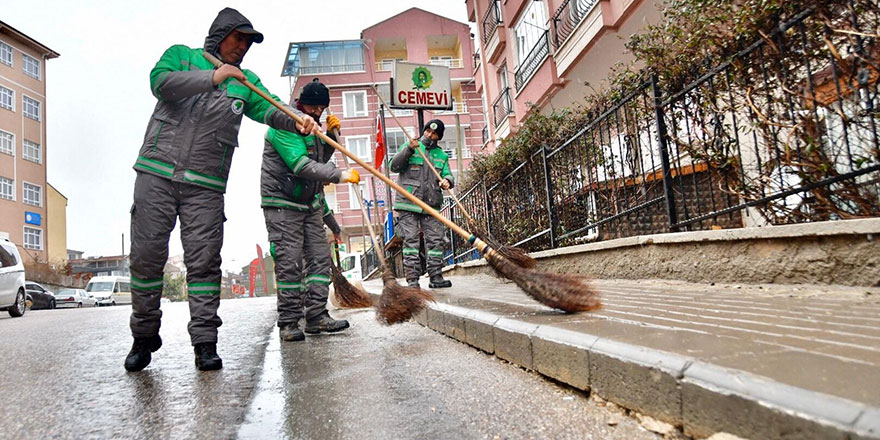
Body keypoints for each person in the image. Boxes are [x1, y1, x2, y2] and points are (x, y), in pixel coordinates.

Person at [125, 8, 318, 372]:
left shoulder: (245, 82)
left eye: (248, 42)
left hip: (206, 185)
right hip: (156, 173)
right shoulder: (181, 56)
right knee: (147, 257)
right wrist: (213, 77)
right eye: (238, 38)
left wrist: (299, 119)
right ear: (220, 35)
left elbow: (271, 110)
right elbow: (161, 83)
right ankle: (143, 335)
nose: (243, 46)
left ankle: (205, 343)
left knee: (204, 264)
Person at [261, 79, 358, 342]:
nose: (317, 112)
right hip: (282, 203)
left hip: (309, 202)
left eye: (322, 108)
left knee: (319, 259)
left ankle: (316, 316)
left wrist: (329, 138)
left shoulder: (313, 126)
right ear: (301, 103)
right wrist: (341, 175)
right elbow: (301, 165)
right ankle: (289, 322)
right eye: (313, 106)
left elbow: (318, 160)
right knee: (291, 263)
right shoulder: (285, 123)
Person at [390, 119, 454, 289]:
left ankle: (436, 277)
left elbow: (448, 174)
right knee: (411, 241)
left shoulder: (442, 155)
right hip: (408, 202)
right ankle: (412, 280)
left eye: (434, 134)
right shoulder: (412, 146)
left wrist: (447, 180)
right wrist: (409, 149)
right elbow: (394, 166)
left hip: (431, 204)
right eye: (428, 131)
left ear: (438, 137)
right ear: (424, 131)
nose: (430, 135)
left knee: (436, 240)